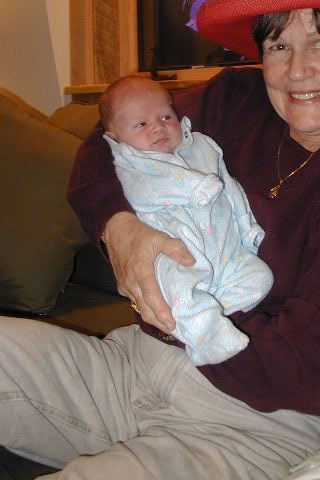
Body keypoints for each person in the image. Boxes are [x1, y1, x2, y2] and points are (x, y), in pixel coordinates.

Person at [0, 0, 320, 479]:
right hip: (130, 367)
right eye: (279, 46)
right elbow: (106, 140)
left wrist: (185, 321)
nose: (297, 70)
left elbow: (311, 374)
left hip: (253, 420)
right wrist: (120, 229)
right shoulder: (236, 99)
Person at [99, 76, 273, 365]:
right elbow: (143, 192)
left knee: (261, 277)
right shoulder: (132, 162)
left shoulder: (201, 146)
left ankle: (212, 316)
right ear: (115, 137)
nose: (158, 127)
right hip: (177, 246)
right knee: (177, 288)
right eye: (141, 124)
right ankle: (205, 336)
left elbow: (229, 186)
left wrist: (247, 225)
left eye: (166, 117)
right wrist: (197, 188)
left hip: (225, 251)